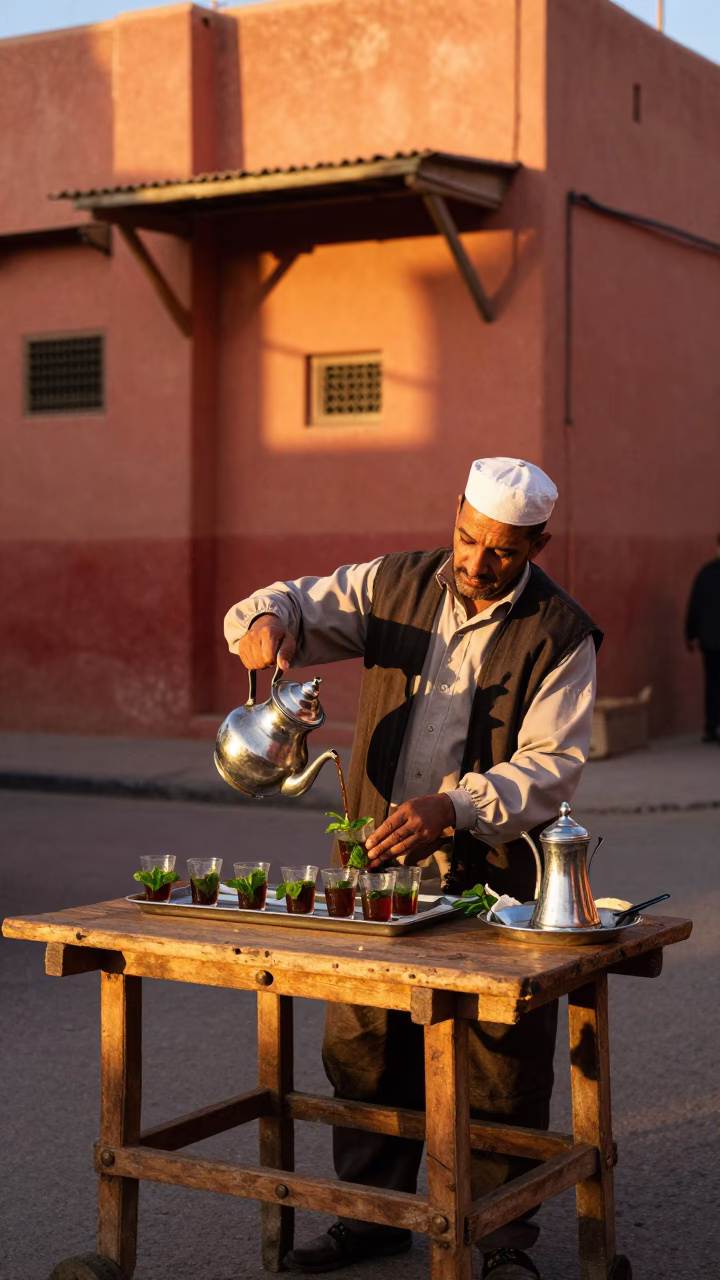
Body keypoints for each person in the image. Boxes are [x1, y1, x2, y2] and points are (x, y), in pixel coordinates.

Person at [224, 457, 602, 1280]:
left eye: (501, 551)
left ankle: (502, 1239)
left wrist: (455, 806)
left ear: (539, 543)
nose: (474, 563)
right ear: (456, 515)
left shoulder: (562, 634)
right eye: (466, 538)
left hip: (492, 873)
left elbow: (553, 765)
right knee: (362, 1043)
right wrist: (266, 621)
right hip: (375, 865)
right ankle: (371, 1217)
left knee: (500, 1054)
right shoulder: (393, 584)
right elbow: (293, 601)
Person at [685, 535, 720, 744]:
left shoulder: (706, 574)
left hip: (710, 640)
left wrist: (690, 634)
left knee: (713, 682)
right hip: (711, 640)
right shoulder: (705, 574)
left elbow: (695, 606)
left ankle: (711, 726)